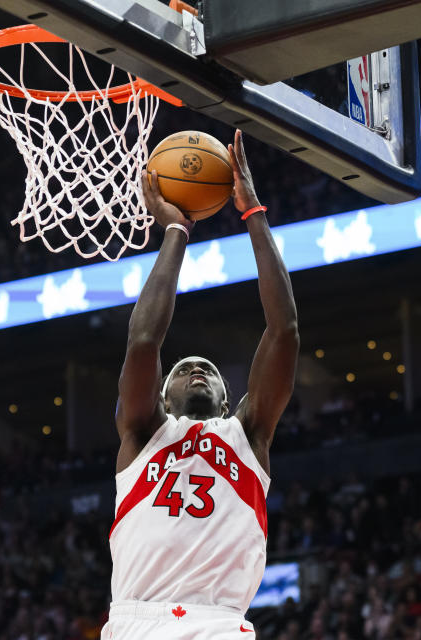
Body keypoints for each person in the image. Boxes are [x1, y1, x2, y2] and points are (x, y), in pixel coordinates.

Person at [102, 129, 300, 639]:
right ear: (161, 399)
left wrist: (252, 213)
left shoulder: (249, 434)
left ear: (228, 399)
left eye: (207, 370)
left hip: (217, 624)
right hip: (136, 620)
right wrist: (176, 232)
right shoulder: (143, 434)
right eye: (183, 369)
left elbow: (284, 331)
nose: (196, 370)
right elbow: (143, 341)